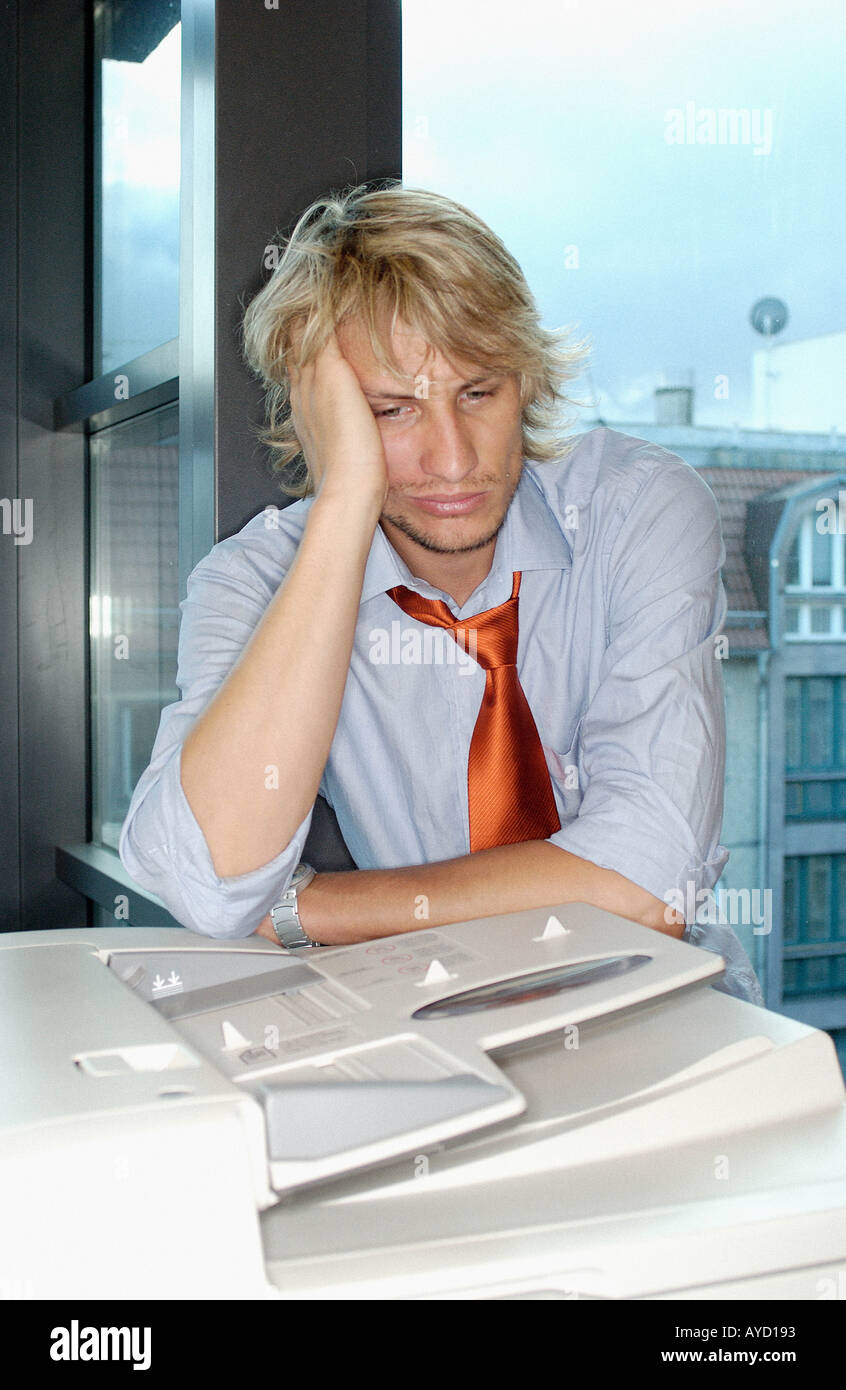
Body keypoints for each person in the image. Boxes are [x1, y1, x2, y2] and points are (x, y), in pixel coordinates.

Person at [119, 182, 762, 1003]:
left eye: (478, 392)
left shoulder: (640, 510)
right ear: (323, 416)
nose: (453, 460)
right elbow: (209, 883)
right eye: (392, 411)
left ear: (525, 382)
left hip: (671, 1016)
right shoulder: (256, 581)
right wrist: (347, 499)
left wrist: (311, 910)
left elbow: (646, 885)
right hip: (437, 1023)